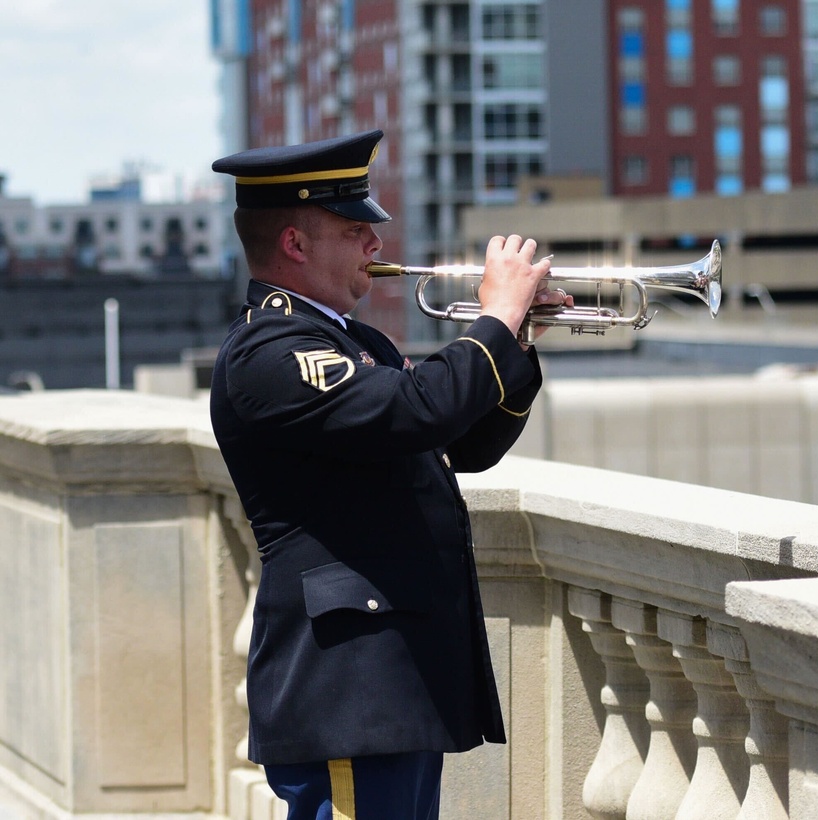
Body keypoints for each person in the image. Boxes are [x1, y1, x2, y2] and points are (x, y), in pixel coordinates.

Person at [209, 129, 571, 820]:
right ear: (295, 243)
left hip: (387, 674)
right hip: (348, 682)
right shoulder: (270, 352)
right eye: (354, 229)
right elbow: (420, 408)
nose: (376, 245)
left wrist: (516, 337)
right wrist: (495, 314)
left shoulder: (352, 343)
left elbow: (462, 444)